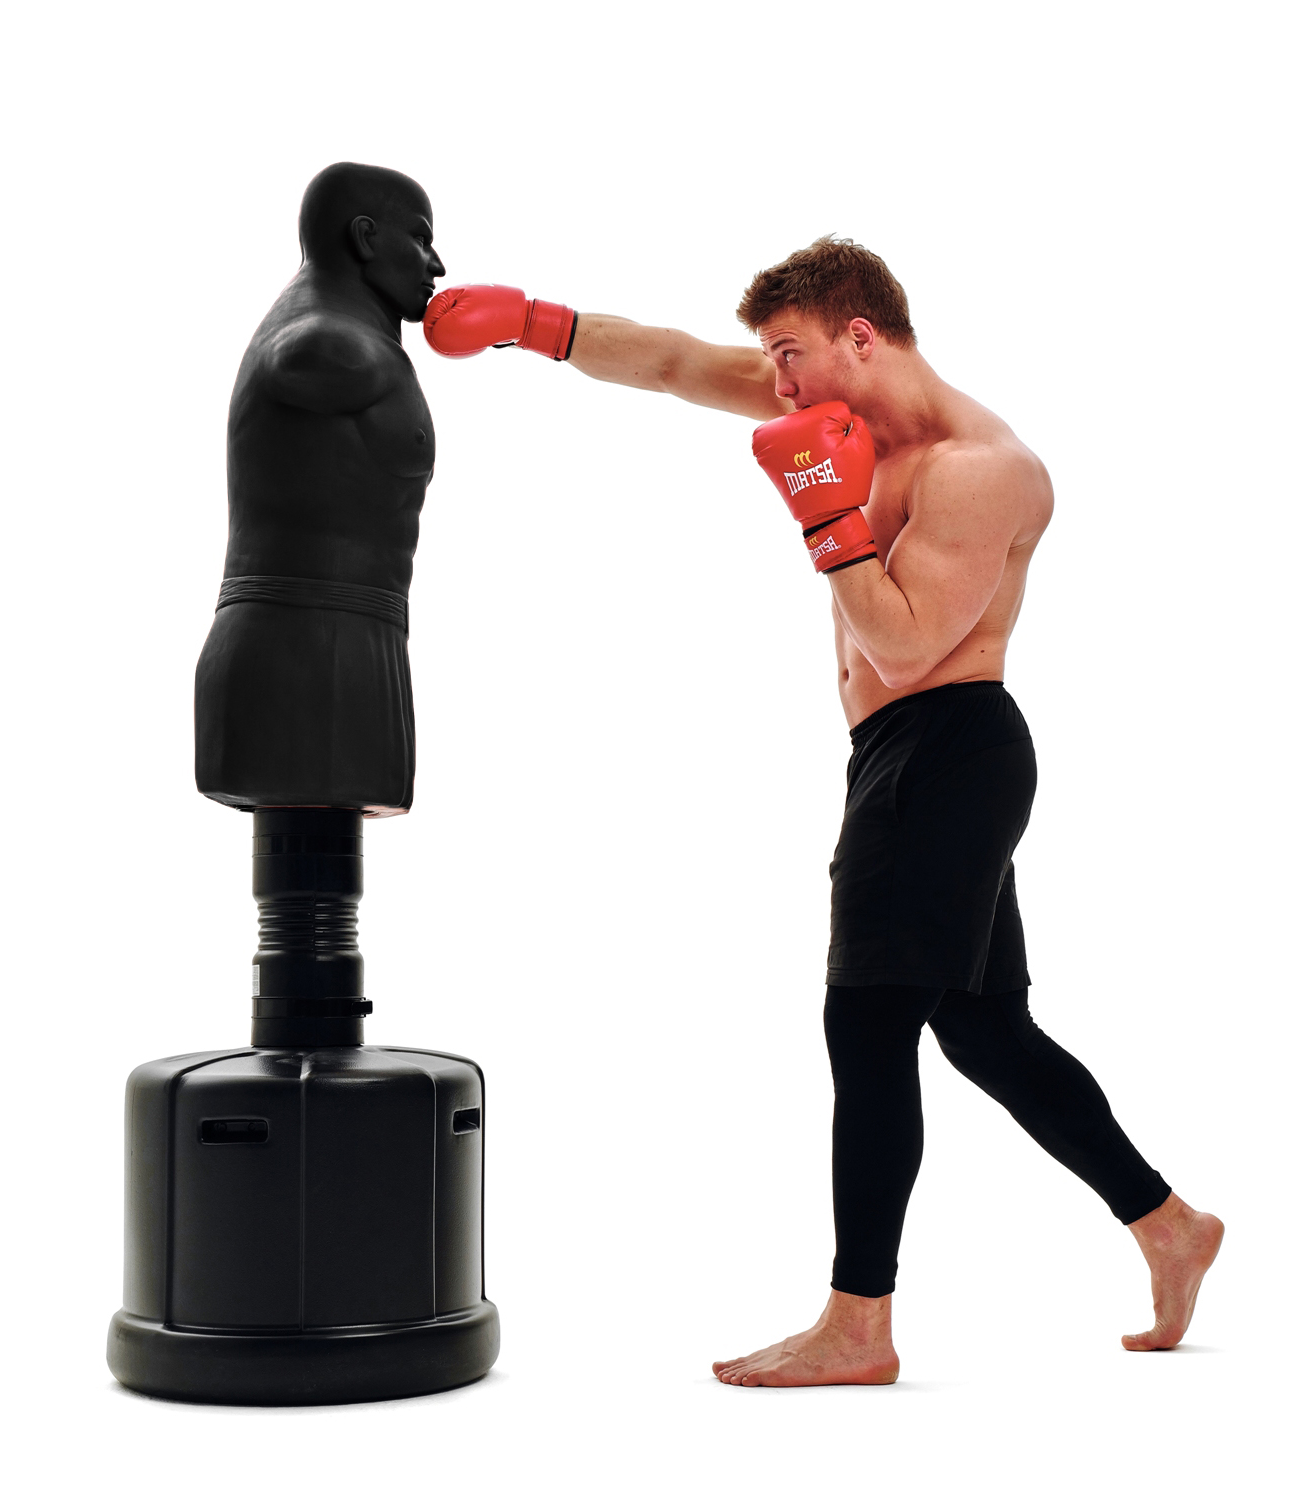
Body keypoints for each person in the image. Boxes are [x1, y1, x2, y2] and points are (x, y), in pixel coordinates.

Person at [422, 239, 1224, 1385]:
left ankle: (859, 1324)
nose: (778, 382)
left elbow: (905, 644)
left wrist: (827, 515)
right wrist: (532, 324)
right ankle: (1170, 1226)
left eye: (790, 354)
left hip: (947, 750)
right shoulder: (831, 411)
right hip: (904, 757)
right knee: (986, 1032)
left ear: (861, 335)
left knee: (869, 1026)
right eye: (771, 359)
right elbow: (669, 363)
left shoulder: (979, 468)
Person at [195, 162, 445, 815]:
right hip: (298, 644)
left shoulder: (354, 338)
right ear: (365, 238)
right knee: (309, 871)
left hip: (363, 637)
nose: (437, 265)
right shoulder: (330, 343)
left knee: (329, 866)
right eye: (420, 239)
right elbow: (300, 357)